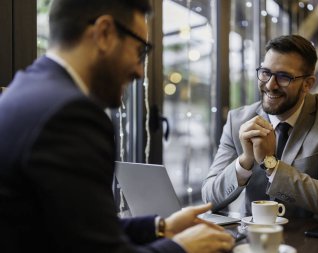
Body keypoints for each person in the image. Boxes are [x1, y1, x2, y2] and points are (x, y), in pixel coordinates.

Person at [0, 0, 234, 252]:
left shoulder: (26, 90)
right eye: (140, 51)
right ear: (104, 33)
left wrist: (160, 228)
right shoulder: (71, 114)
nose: (140, 71)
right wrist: (181, 247)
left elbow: (80, 226)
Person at [202, 34, 318, 222]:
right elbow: (209, 198)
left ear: (307, 84)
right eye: (265, 72)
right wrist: (245, 160)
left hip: (312, 242)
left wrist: (271, 165)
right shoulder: (238, 120)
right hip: (252, 242)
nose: (270, 85)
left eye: (284, 77)